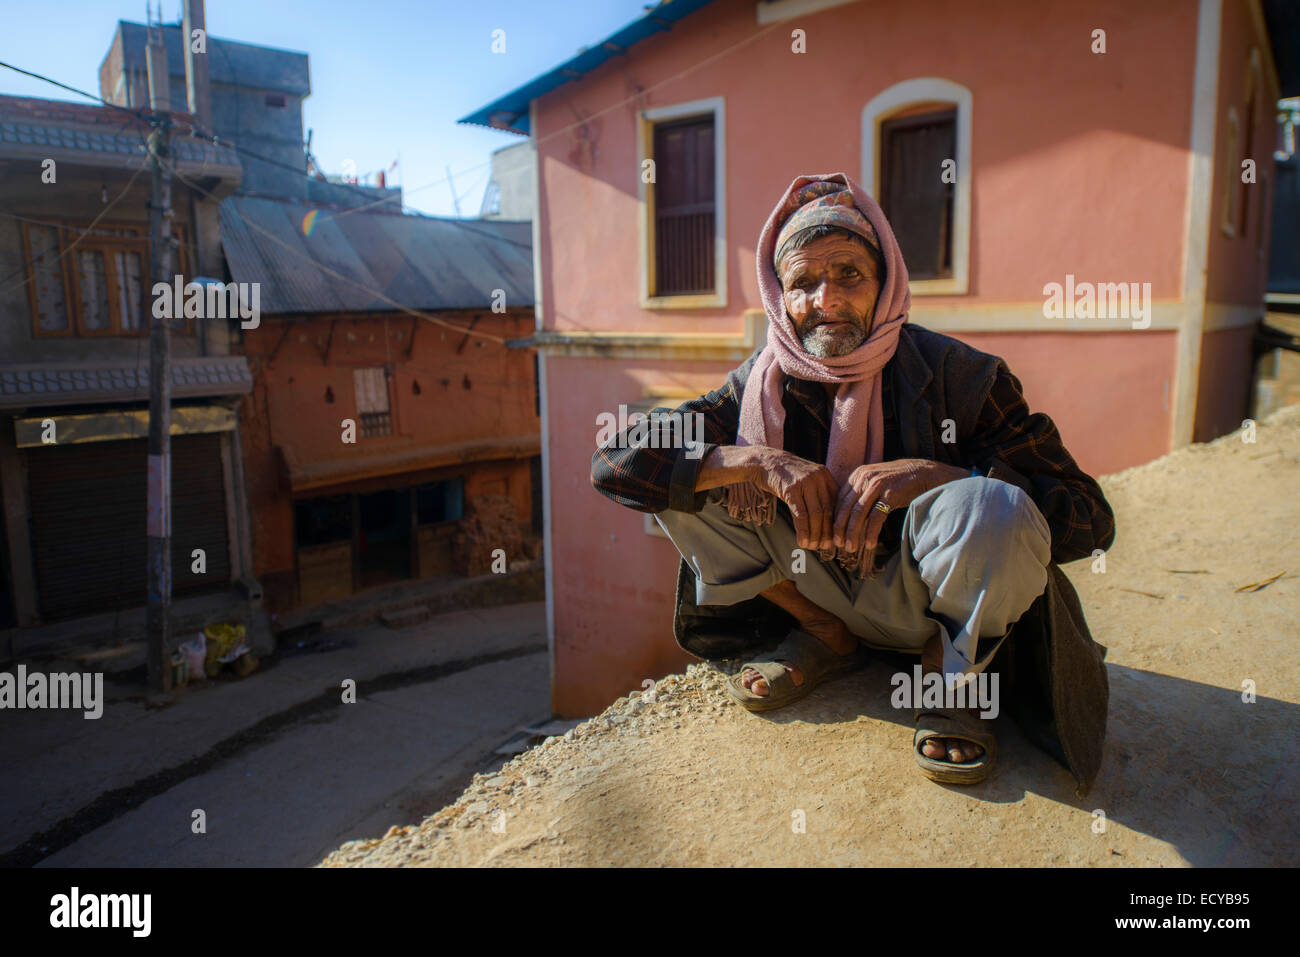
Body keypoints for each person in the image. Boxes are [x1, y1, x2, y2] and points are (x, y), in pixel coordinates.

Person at [591, 173, 1115, 788]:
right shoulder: (755, 387)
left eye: (848, 274)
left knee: (992, 506)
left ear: (886, 280)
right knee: (690, 473)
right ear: (777, 295)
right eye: (802, 283)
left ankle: (947, 676)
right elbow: (616, 461)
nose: (826, 300)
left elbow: (1088, 519)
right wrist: (754, 461)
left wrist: (943, 477)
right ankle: (825, 637)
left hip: (929, 603)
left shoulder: (962, 377)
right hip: (815, 589)